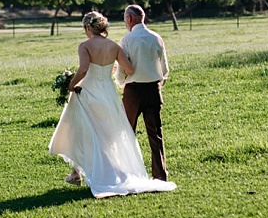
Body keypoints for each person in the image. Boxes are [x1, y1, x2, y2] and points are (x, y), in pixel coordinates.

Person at [49, 11, 177, 198]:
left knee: (77, 127)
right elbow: (130, 69)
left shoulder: (85, 46)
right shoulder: (114, 46)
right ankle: (84, 172)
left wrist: (71, 84)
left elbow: (84, 69)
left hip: (89, 91)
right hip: (108, 94)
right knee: (108, 133)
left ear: (87, 27)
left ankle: (79, 172)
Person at [115, 4, 170, 181]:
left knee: (127, 132)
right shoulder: (156, 38)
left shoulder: (127, 40)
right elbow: (165, 68)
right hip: (153, 89)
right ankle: (160, 174)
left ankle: (127, 174)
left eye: (125, 19)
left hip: (133, 91)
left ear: (130, 19)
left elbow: (123, 69)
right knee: (155, 134)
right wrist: (159, 83)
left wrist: (122, 83)